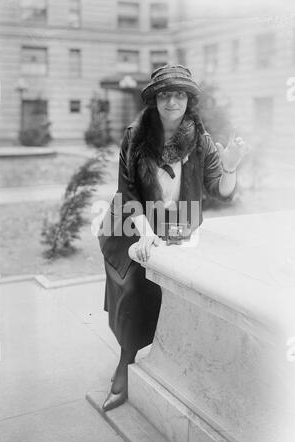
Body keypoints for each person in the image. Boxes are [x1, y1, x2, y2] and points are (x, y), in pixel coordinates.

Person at [97, 64, 247, 412]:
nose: (172, 101)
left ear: (188, 100)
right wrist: (147, 234)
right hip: (133, 228)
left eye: (179, 94)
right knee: (135, 291)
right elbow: (126, 193)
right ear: (155, 100)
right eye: (165, 94)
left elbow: (220, 191)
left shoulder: (200, 139)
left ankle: (176, 365)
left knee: (189, 292)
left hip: (180, 229)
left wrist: (230, 166)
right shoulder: (135, 136)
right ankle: (125, 362)